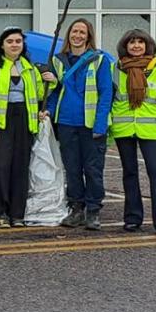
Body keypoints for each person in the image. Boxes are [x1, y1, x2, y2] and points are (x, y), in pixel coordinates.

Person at [44, 17, 114, 231]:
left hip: (91, 124)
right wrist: (49, 110)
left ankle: (93, 210)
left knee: (93, 169)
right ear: (69, 35)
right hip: (66, 122)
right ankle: (77, 208)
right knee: (72, 169)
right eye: (75, 31)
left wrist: (100, 126)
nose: (78, 36)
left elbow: (105, 94)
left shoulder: (100, 60)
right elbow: (55, 92)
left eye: (82, 32)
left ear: (89, 36)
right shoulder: (57, 60)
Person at [112, 29, 156, 236]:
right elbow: (112, 97)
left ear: (148, 45)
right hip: (124, 128)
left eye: (140, 42)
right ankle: (132, 218)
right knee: (129, 174)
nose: (136, 46)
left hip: (149, 128)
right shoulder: (116, 68)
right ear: (125, 46)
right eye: (132, 42)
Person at [0, 27, 44, 228]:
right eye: (10, 41)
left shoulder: (30, 68)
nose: (14, 45)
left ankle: (17, 214)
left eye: (18, 41)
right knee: (0, 168)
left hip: (24, 121)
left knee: (20, 168)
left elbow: (38, 95)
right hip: (1, 122)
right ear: (2, 45)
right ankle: (0, 214)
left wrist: (49, 82)